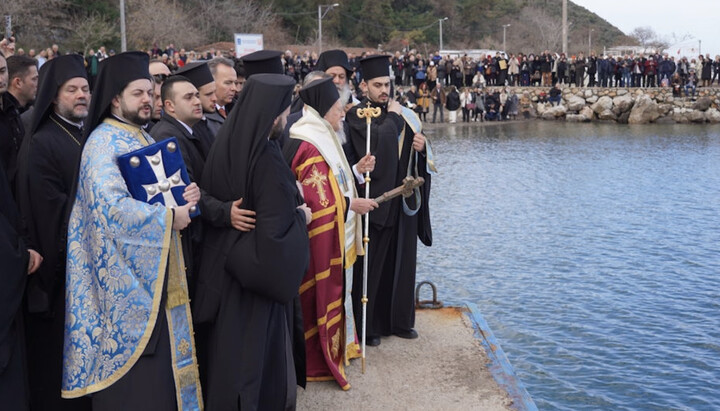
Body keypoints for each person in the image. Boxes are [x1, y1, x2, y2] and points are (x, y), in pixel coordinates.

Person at [62, 51, 202, 410]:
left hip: (155, 274)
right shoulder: (102, 144)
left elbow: (162, 193)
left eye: (150, 94)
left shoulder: (140, 136)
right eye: (138, 93)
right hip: (125, 291)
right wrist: (171, 219)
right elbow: (110, 212)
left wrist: (188, 196)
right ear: (115, 98)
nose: (147, 101)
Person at [197, 73, 310, 410]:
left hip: (223, 276)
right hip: (256, 288)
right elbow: (275, 237)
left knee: (226, 364)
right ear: (271, 115)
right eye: (285, 112)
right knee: (255, 372)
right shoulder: (268, 158)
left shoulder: (225, 144)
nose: (287, 119)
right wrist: (301, 218)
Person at [285, 76, 378, 389]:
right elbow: (317, 198)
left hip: (338, 230)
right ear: (325, 109)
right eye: (339, 108)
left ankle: (341, 346)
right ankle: (318, 359)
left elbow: (333, 181)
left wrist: (355, 170)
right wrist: (352, 204)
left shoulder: (324, 134)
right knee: (317, 297)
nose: (344, 114)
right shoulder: (308, 140)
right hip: (318, 237)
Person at [15, 54, 92, 411]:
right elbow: (49, 210)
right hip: (59, 277)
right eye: (72, 89)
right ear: (53, 95)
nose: (81, 96)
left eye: (85, 89)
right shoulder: (42, 142)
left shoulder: (86, 134)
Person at [347, 55, 434, 347]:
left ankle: (399, 320)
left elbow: (418, 152)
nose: (384, 90)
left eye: (387, 84)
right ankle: (369, 325)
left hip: (403, 200)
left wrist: (421, 148)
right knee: (373, 266)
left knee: (403, 262)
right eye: (377, 85)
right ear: (364, 87)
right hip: (377, 201)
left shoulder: (404, 114)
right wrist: (395, 117)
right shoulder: (358, 115)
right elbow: (379, 147)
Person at [0, 53, 38, 192]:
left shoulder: (13, 112)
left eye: (3, 71)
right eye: (34, 79)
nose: (1, 78)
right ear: (18, 82)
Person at [205, 57, 238, 135]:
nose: (234, 88)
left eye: (235, 83)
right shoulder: (200, 117)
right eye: (228, 83)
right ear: (211, 82)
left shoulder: (239, 110)